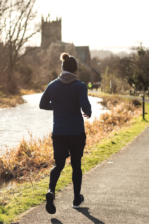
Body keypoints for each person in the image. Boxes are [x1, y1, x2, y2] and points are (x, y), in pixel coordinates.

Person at [39, 52, 92, 214]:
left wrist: (57, 106)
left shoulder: (52, 85)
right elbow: (86, 108)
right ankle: (76, 199)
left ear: (62, 68)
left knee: (59, 164)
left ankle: (50, 191)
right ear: (75, 69)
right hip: (76, 132)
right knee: (76, 165)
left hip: (59, 132)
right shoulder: (80, 86)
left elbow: (42, 104)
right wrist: (87, 112)